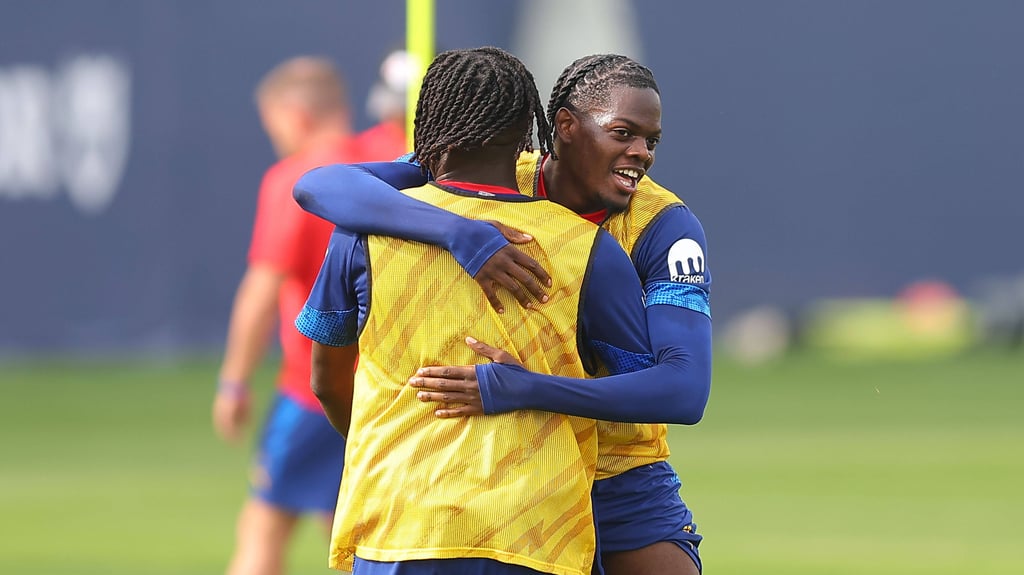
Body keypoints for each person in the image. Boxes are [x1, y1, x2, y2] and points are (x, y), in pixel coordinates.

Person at [293, 54, 711, 575]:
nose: (641, 154)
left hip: (618, 471)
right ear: (564, 128)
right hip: (517, 482)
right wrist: (459, 233)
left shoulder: (666, 228)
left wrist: (524, 387)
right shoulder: (496, 162)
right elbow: (321, 186)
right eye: (623, 133)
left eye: (651, 140)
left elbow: (683, 391)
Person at [212, 56, 359, 575]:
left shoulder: (295, 180)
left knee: (263, 525)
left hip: (315, 386)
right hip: (384, 388)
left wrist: (233, 382)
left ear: (295, 116)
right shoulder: (386, 166)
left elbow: (261, 287)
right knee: (351, 528)